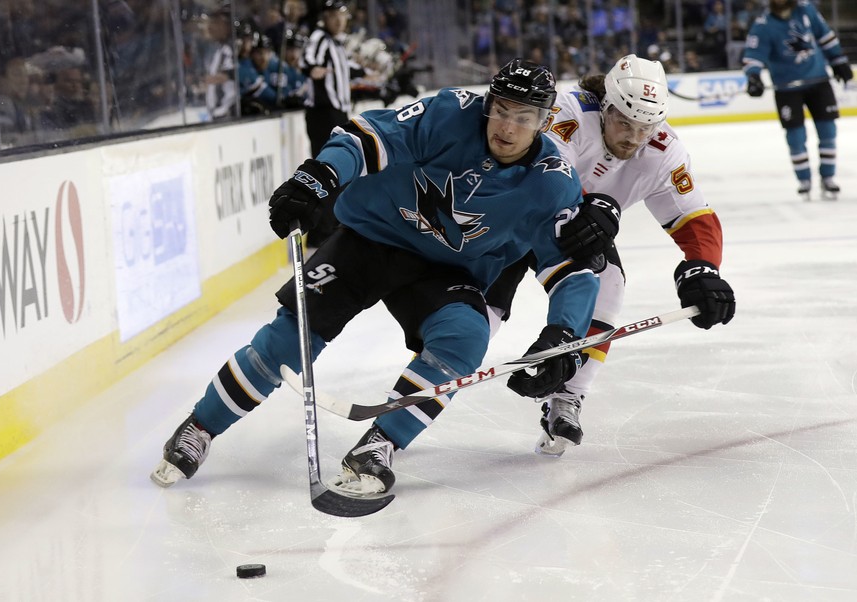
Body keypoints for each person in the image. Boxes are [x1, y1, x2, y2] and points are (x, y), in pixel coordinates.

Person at [151, 59, 604, 496]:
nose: (506, 127)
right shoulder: (449, 113)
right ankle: (200, 426)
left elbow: (571, 268)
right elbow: (367, 137)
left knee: (464, 339)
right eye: (501, 110)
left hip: (446, 269)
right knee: (291, 340)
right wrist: (319, 177)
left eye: (523, 117)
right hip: (369, 239)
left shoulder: (552, 181)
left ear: (545, 122)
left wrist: (565, 332)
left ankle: (380, 444)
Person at [484, 54, 736, 456]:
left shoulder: (663, 148)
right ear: (605, 106)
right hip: (518, 216)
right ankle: (428, 386)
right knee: (481, 312)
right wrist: (594, 205)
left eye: (645, 127)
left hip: (579, 233)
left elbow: (693, 216)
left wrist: (703, 267)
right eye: (624, 123)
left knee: (610, 285)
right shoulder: (568, 112)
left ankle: (570, 395)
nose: (634, 138)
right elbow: (542, 175)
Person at [742, 0, 853, 201]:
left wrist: (838, 60)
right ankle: (804, 180)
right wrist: (753, 76)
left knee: (828, 131)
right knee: (796, 136)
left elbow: (825, 36)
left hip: (818, 81)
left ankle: (828, 177)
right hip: (787, 88)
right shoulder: (763, 25)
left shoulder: (806, 9)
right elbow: (754, 54)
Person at [301, 0, 369, 248]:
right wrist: (311, 69)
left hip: (337, 113)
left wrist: (365, 72)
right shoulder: (319, 37)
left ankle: (330, 228)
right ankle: (321, 233)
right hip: (323, 114)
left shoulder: (336, 44)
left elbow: (345, 69)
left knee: (339, 171)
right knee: (328, 172)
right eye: (333, 16)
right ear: (324, 18)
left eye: (342, 15)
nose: (339, 21)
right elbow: (307, 60)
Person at [204, 4, 237, 121]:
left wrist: (226, 75)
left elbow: (234, 73)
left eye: (217, 23)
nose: (212, 27)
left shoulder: (232, 48)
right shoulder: (218, 49)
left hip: (228, 115)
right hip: (216, 115)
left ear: (228, 26)